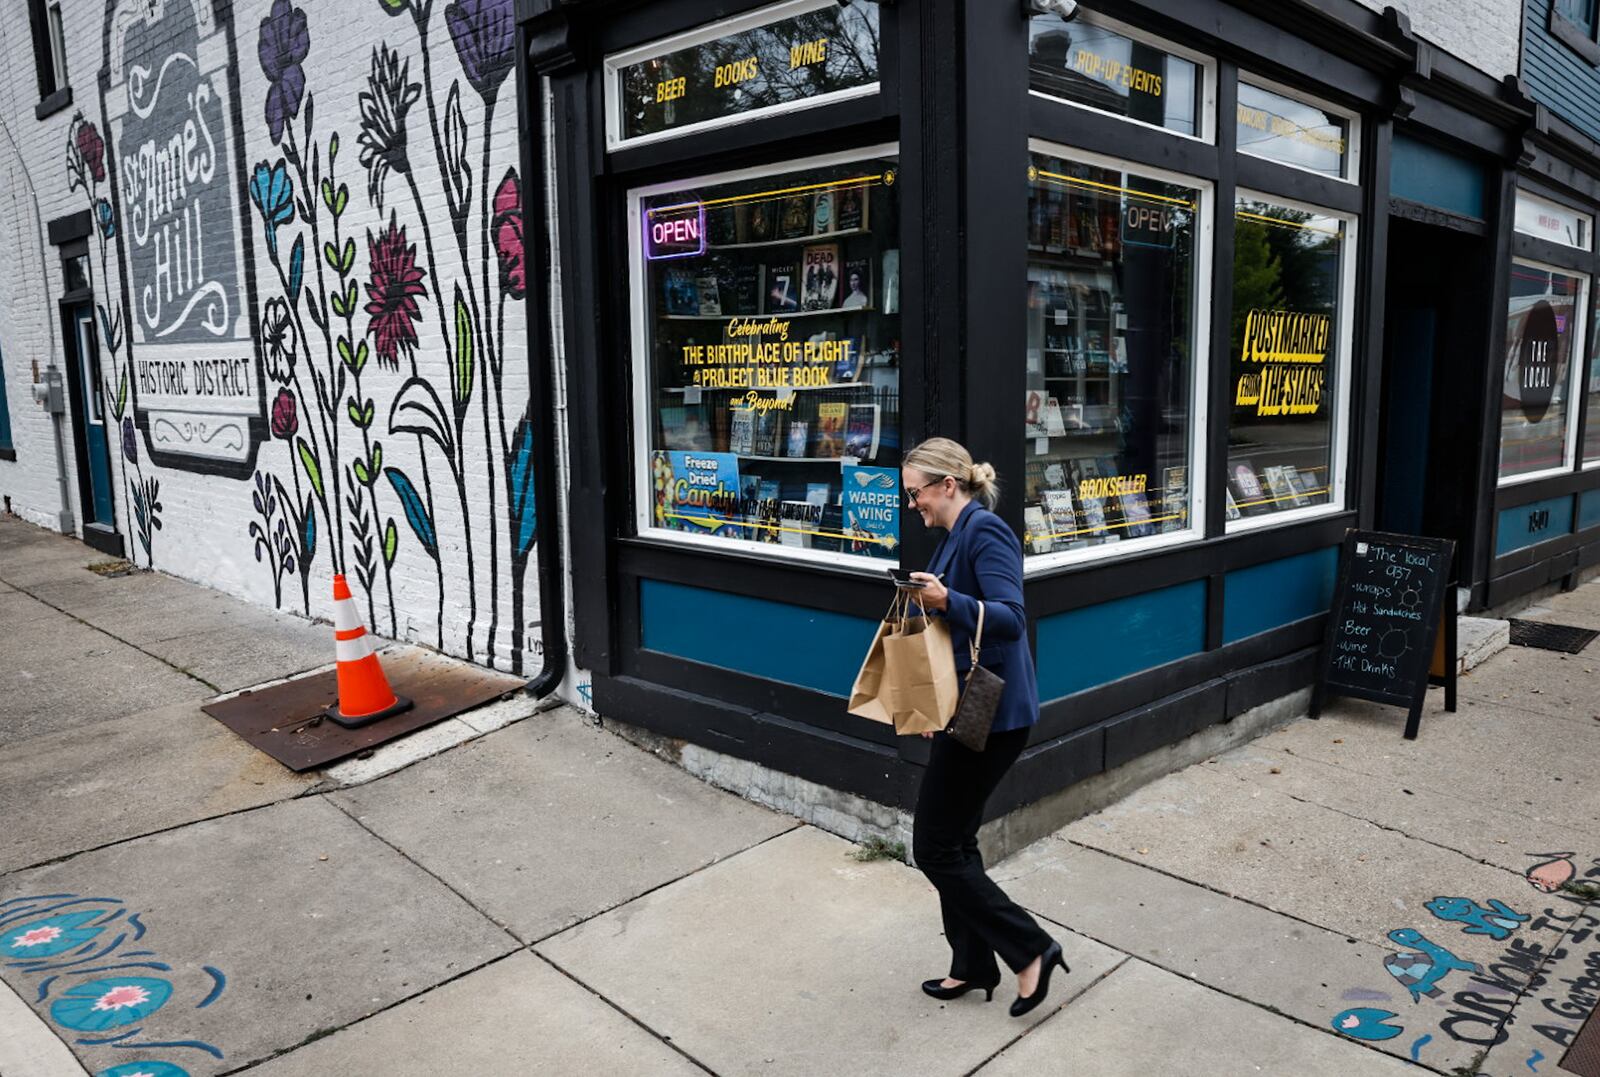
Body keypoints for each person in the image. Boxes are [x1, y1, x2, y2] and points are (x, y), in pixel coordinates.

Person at [901, 437, 1069, 1019]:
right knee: (956, 841)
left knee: (935, 847)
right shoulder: (953, 538)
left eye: (916, 492)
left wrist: (948, 601)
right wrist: (932, 702)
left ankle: (1031, 950)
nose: (912, 504)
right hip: (965, 709)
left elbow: (1011, 619)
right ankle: (971, 964)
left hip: (992, 715)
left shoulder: (985, 531)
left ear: (948, 485)